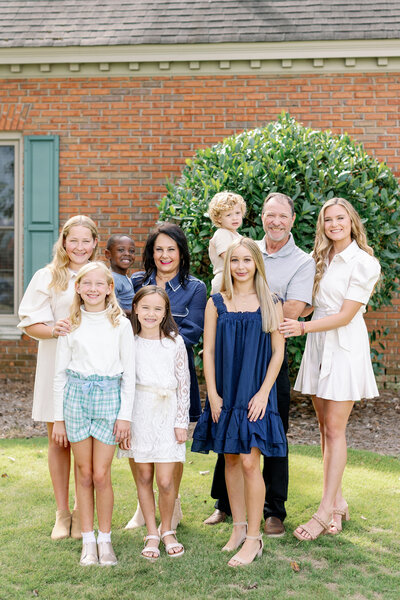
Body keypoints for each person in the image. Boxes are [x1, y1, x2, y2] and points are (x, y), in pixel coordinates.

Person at [204, 193, 315, 537]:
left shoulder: (300, 261)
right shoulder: (245, 246)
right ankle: (227, 505)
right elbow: (213, 335)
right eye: (270, 215)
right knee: (232, 442)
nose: (276, 221)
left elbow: (294, 310)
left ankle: (273, 511)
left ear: (292, 219)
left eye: (282, 215)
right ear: (262, 218)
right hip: (230, 360)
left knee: (270, 436)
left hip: (265, 358)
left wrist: (262, 310)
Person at [279, 197, 380, 541]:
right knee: (324, 428)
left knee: (335, 430)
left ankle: (323, 513)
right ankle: (337, 502)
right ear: (321, 225)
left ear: (352, 221)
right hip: (319, 345)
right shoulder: (318, 258)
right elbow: (309, 306)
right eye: (327, 220)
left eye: (340, 218)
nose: (334, 224)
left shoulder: (364, 263)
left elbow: (346, 315)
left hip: (344, 347)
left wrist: (301, 328)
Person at [192, 238, 286, 566]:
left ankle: (255, 539)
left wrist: (263, 393)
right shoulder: (216, 302)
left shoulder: (270, 301)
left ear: (257, 263)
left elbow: (278, 353)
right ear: (227, 264)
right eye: (235, 261)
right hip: (226, 394)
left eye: (247, 260)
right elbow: (209, 353)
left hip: (256, 394)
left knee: (249, 462)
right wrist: (213, 394)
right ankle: (238, 528)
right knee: (230, 460)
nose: (241, 267)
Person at [18, 215, 99, 540]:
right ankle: (62, 513)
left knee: (88, 444)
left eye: (86, 241)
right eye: (73, 240)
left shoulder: (99, 275)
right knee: (59, 441)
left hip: (94, 372)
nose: (79, 247)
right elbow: (28, 323)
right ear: (63, 242)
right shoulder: (48, 276)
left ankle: (83, 512)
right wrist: (54, 329)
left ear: (95, 242)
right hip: (56, 367)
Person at [52, 262, 135, 565]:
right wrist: (59, 419)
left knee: (101, 474)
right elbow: (60, 374)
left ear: (110, 288)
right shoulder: (70, 323)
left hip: (108, 399)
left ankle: (105, 539)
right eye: (87, 284)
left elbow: (130, 373)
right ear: (78, 287)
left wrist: (125, 416)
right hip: (76, 400)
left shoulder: (120, 324)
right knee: (83, 473)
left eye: (100, 284)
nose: (93, 289)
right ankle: (88, 541)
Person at [125, 223, 207, 529]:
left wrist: (153, 341)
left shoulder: (195, 288)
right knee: (138, 441)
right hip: (137, 378)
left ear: (181, 252)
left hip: (174, 379)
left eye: (171, 249)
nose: (165, 255)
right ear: (151, 252)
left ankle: (173, 505)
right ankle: (141, 504)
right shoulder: (134, 282)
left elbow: (192, 332)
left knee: (172, 442)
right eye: (159, 249)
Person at [119, 286, 190, 560]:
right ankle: (151, 532)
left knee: (165, 480)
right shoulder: (129, 342)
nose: (151, 313)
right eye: (145, 307)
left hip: (167, 412)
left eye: (157, 308)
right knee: (145, 477)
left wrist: (181, 421)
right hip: (138, 412)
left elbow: (184, 384)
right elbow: (121, 382)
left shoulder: (174, 342)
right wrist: (123, 421)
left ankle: (167, 529)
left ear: (165, 312)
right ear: (135, 308)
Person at [208, 191, 245, 294]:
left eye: (237, 213)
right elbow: (229, 257)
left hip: (234, 276)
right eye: (229, 215)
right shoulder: (222, 234)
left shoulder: (237, 236)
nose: (235, 218)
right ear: (219, 218)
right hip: (224, 279)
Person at [105, 234, 136, 317]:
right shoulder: (112, 279)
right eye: (121, 250)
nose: (127, 254)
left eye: (131, 251)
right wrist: (136, 312)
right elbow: (110, 308)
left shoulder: (124, 277)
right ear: (108, 254)